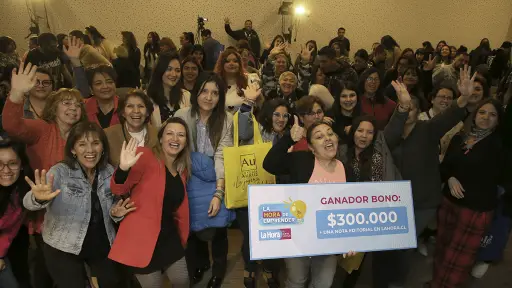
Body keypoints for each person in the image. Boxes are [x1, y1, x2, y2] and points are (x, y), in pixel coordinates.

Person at [383, 67, 473, 286]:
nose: (408, 111)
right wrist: (401, 107)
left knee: (405, 244)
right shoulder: (391, 133)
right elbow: (388, 138)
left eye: (412, 107)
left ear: (418, 111)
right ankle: (388, 276)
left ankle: (396, 281)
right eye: (403, 108)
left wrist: (464, 98)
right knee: (392, 246)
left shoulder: (427, 129)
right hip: (395, 203)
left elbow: (449, 117)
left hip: (423, 202)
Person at [23, 122, 131, 287]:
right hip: (63, 244)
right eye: (82, 144)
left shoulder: (109, 171)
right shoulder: (59, 172)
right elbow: (28, 202)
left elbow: (114, 205)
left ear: (103, 148)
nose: (90, 150)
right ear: (73, 149)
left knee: (112, 282)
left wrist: (116, 213)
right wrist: (39, 198)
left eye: (95, 143)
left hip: (101, 242)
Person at [263, 118, 355, 288]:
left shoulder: (346, 170)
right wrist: (289, 139)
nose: (327, 138)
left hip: (328, 242)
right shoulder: (302, 161)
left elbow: (352, 208)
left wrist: (350, 239)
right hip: (298, 238)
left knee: (323, 284)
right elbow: (269, 164)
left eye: (330, 134)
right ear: (311, 147)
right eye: (319, 137)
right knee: (297, 281)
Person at [432, 98, 510, 288]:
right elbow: (445, 167)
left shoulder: (500, 146)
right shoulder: (460, 139)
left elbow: (503, 180)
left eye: (493, 114)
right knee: (442, 250)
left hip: (475, 210)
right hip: (449, 204)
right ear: (475, 116)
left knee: (458, 260)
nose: (486, 117)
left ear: (498, 121)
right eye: (482, 112)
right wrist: (450, 178)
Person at [109, 118, 191, 287]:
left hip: (169, 237)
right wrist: (123, 169)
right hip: (142, 239)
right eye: (170, 133)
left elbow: (179, 210)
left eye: (181, 135)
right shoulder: (145, 156)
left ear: (186, 142)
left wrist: (183, 237)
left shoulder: (182, 170)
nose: (175, 139)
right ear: (160, 138)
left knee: (182, 281)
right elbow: (119, 189)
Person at [175, 74, 233, 288]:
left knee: (219, 226)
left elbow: (222, 156)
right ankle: (200, 264)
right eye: (204, 91)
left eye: (215, 93)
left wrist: (219, 192)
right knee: (191, 224)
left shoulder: (227, 119)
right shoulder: (181, 115)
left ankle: (218, 269)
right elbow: (176, 150)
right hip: (189, 173)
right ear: (196, 92)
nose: (209, 97)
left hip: (217, 175)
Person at [0, 140, 32, 288]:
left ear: (21, 166)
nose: (6, 170)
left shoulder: (20, 191)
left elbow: (10, 231)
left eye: (12, 163)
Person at [104, 89, 156, 167]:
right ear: (123, 112)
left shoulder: (157, 134)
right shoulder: (108, 134)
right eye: (130, 106)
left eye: (141, 106)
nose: (136, 111)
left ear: (148, 112)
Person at [147, 52, 191, 127]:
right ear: (160, 70)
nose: (173, 74)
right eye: (169, 69)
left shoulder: (186, 96)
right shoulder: (147, 98)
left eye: (177, 70)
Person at [214, 49, 259, 114]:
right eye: (227, 61)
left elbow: (259, 103)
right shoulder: (215, 83)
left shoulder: (250, 79)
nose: (231, 64)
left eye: (235, 61)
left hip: (245, 121)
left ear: (240, 64)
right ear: (222, 64)